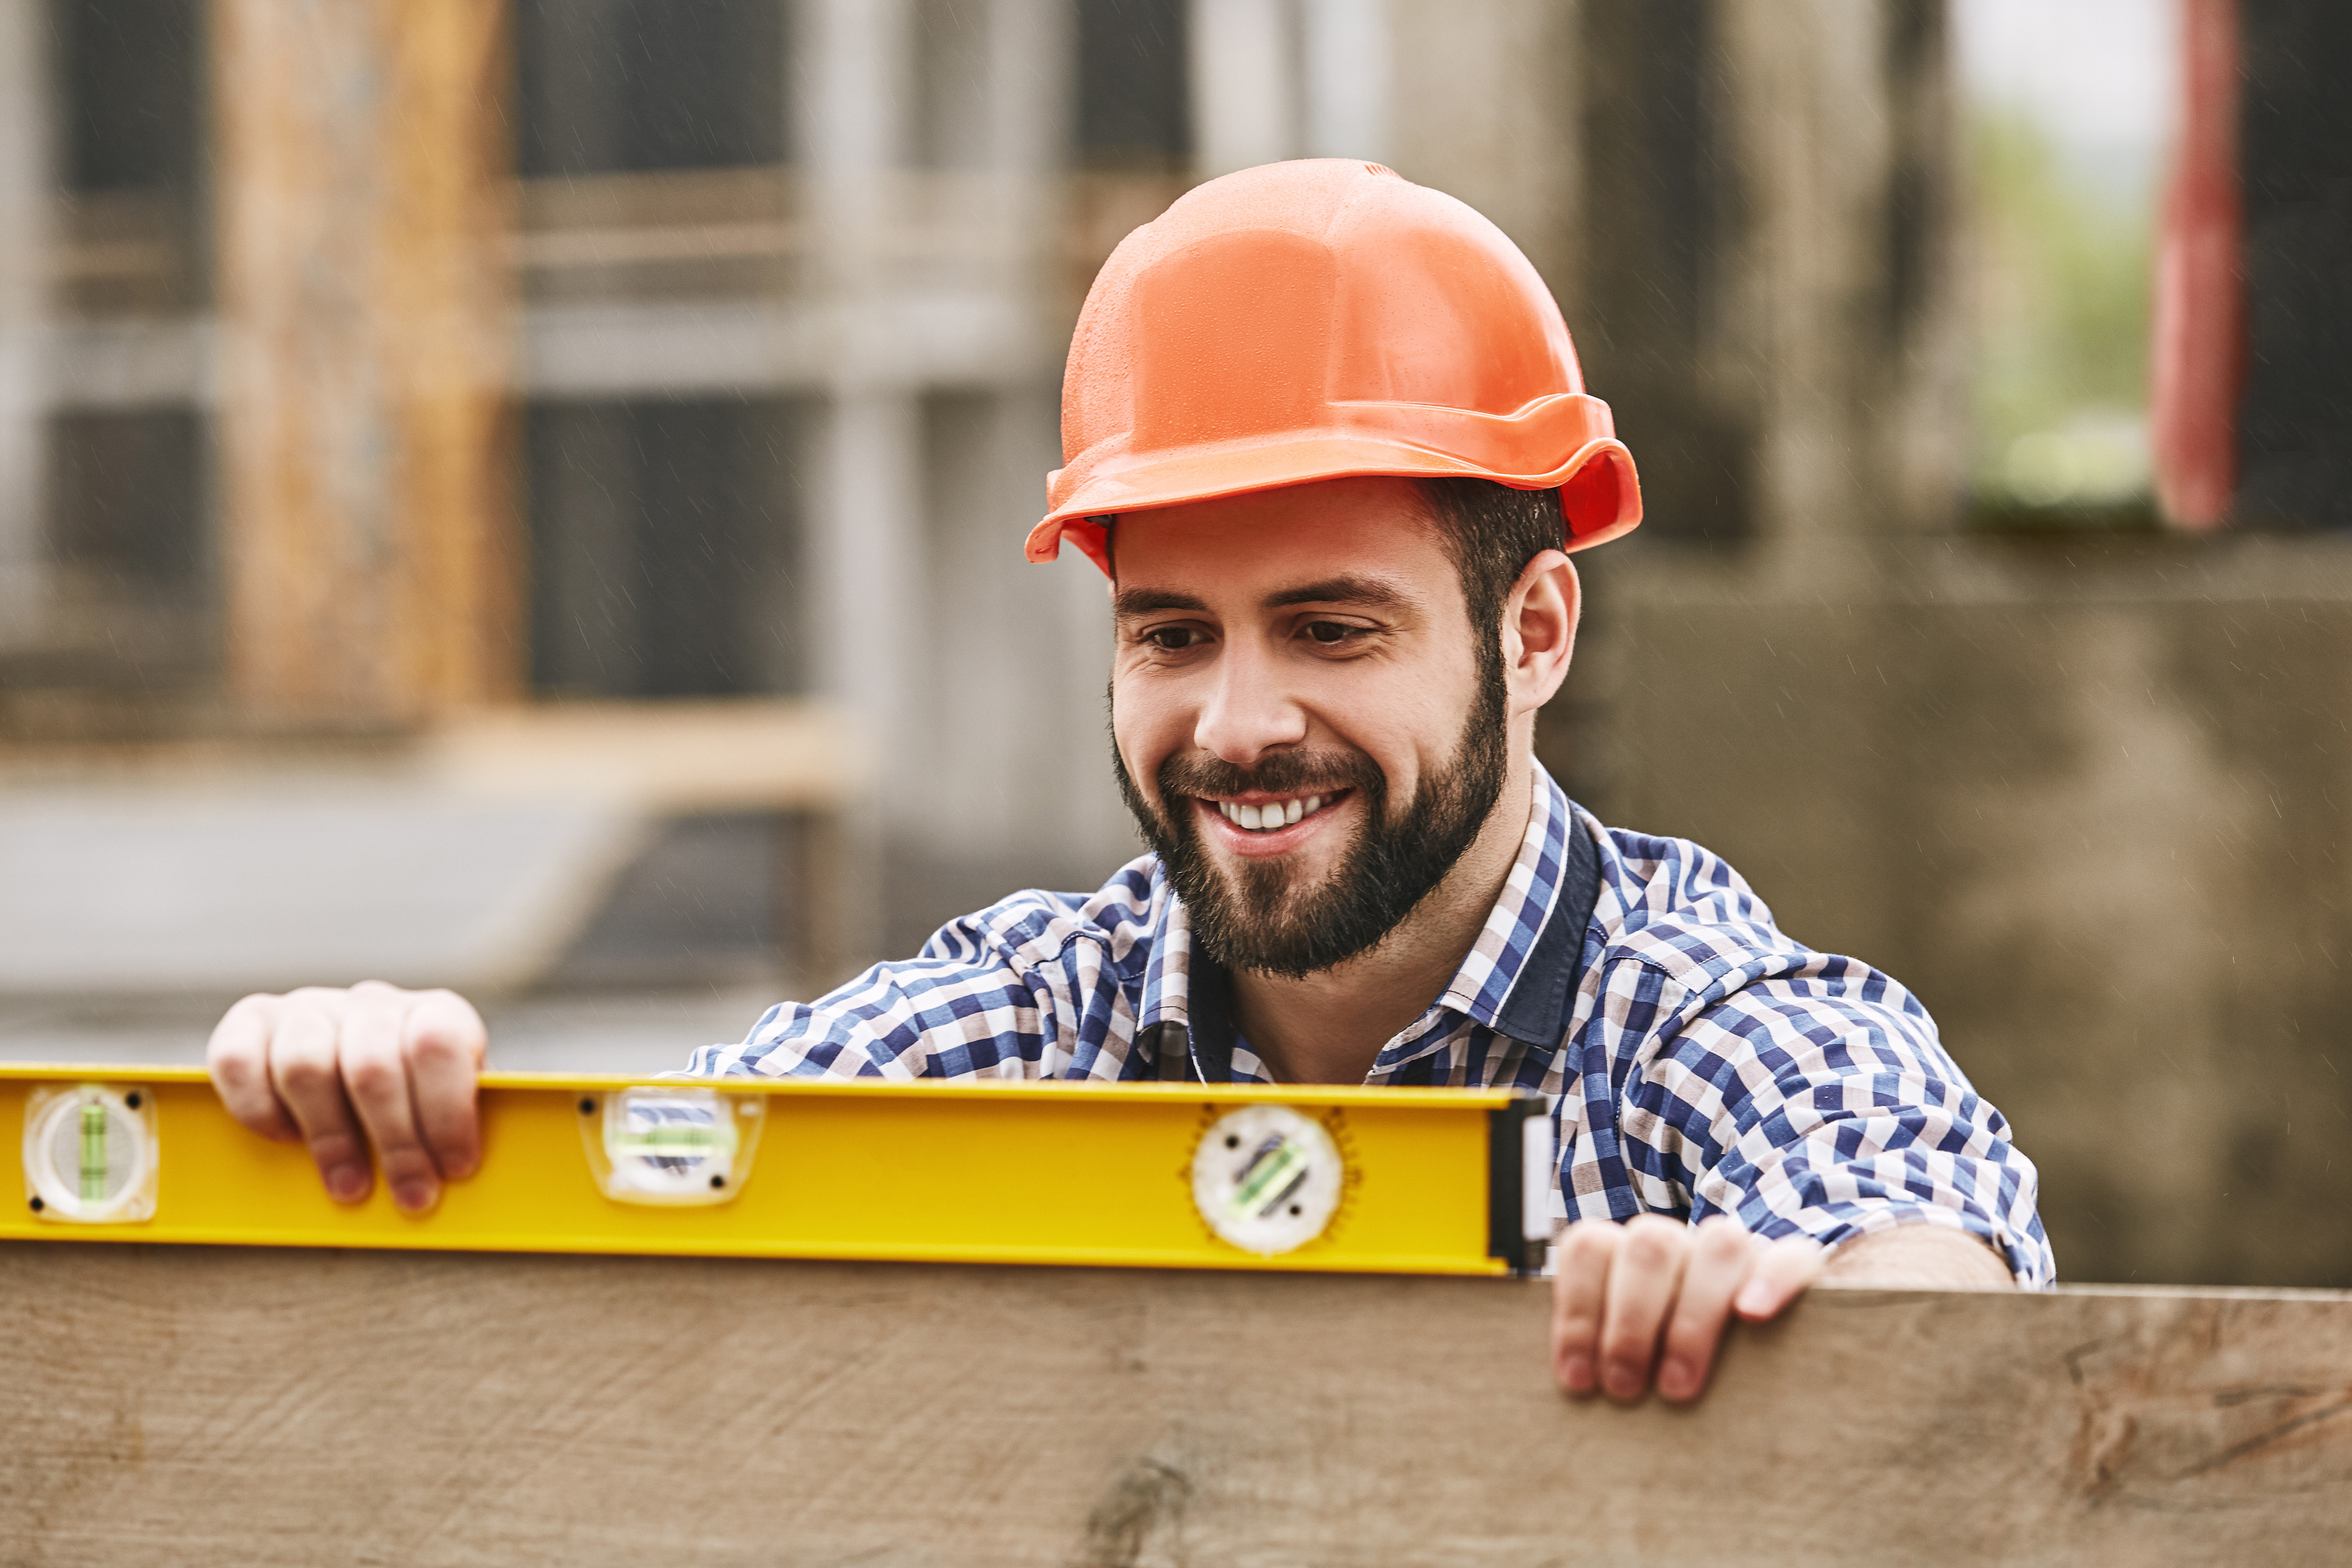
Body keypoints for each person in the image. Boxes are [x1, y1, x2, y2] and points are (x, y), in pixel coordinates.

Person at [206, 161, 2049, 1405]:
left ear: (1538, 630)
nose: (1238, 725)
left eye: (1333, 630)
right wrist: (385, 1108)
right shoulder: (1035, 1016)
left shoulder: (1692, 1021)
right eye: (1174, 635)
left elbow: (1933, 1282)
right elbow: (654, 1186)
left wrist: (1796, 1334)